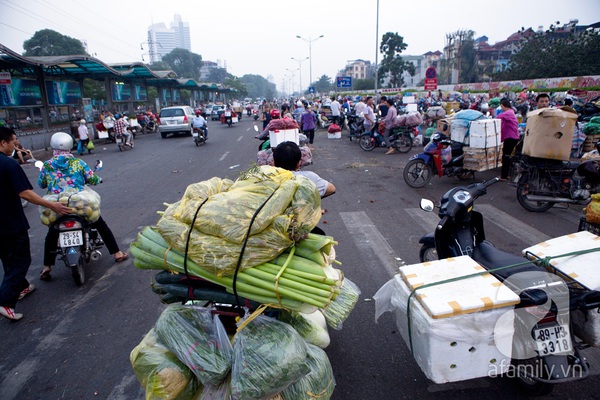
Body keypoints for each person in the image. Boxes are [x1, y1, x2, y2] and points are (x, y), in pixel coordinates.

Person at [0, 127, 72, 320]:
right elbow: (25, 193)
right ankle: (5, 302)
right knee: (20, 259)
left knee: (8, 257)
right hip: (10, 222)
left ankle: (21, 287)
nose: (15, 147)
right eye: (14, 143)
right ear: (3, 143)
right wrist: (52, 205)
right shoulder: (8, 165)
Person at [38, 132, 129, 282]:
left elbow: (41, 184)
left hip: (57, 205)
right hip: (79, 203)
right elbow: (91, 178)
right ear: (69, 145)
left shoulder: (47, 165)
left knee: (52, 233)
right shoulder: (78, 163)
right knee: (100, 224)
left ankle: (47, 266)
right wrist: (97, 179)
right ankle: (117, 253)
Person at [496, 98, 520, 181]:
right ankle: (507, 174)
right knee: (508, 157)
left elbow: (498, 117)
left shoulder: (508, 113)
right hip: (511, 137)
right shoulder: (510, 112)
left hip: (510, 138)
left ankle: (504, 176)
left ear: (503, 106)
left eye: (501, 106)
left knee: (506, 157)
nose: (501, 108)